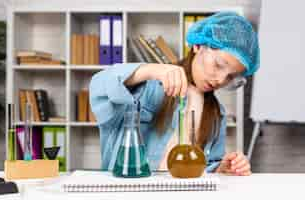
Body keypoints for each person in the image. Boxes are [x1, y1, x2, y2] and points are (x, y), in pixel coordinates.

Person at [90, 11, 260, 175]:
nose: (221, 80)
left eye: (230, 76)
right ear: (198, 45)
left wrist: (221, 168)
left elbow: (206, 165)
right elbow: (99, 87)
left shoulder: (218, 114)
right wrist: (150, 69)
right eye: (219, 65)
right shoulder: (147, 88)